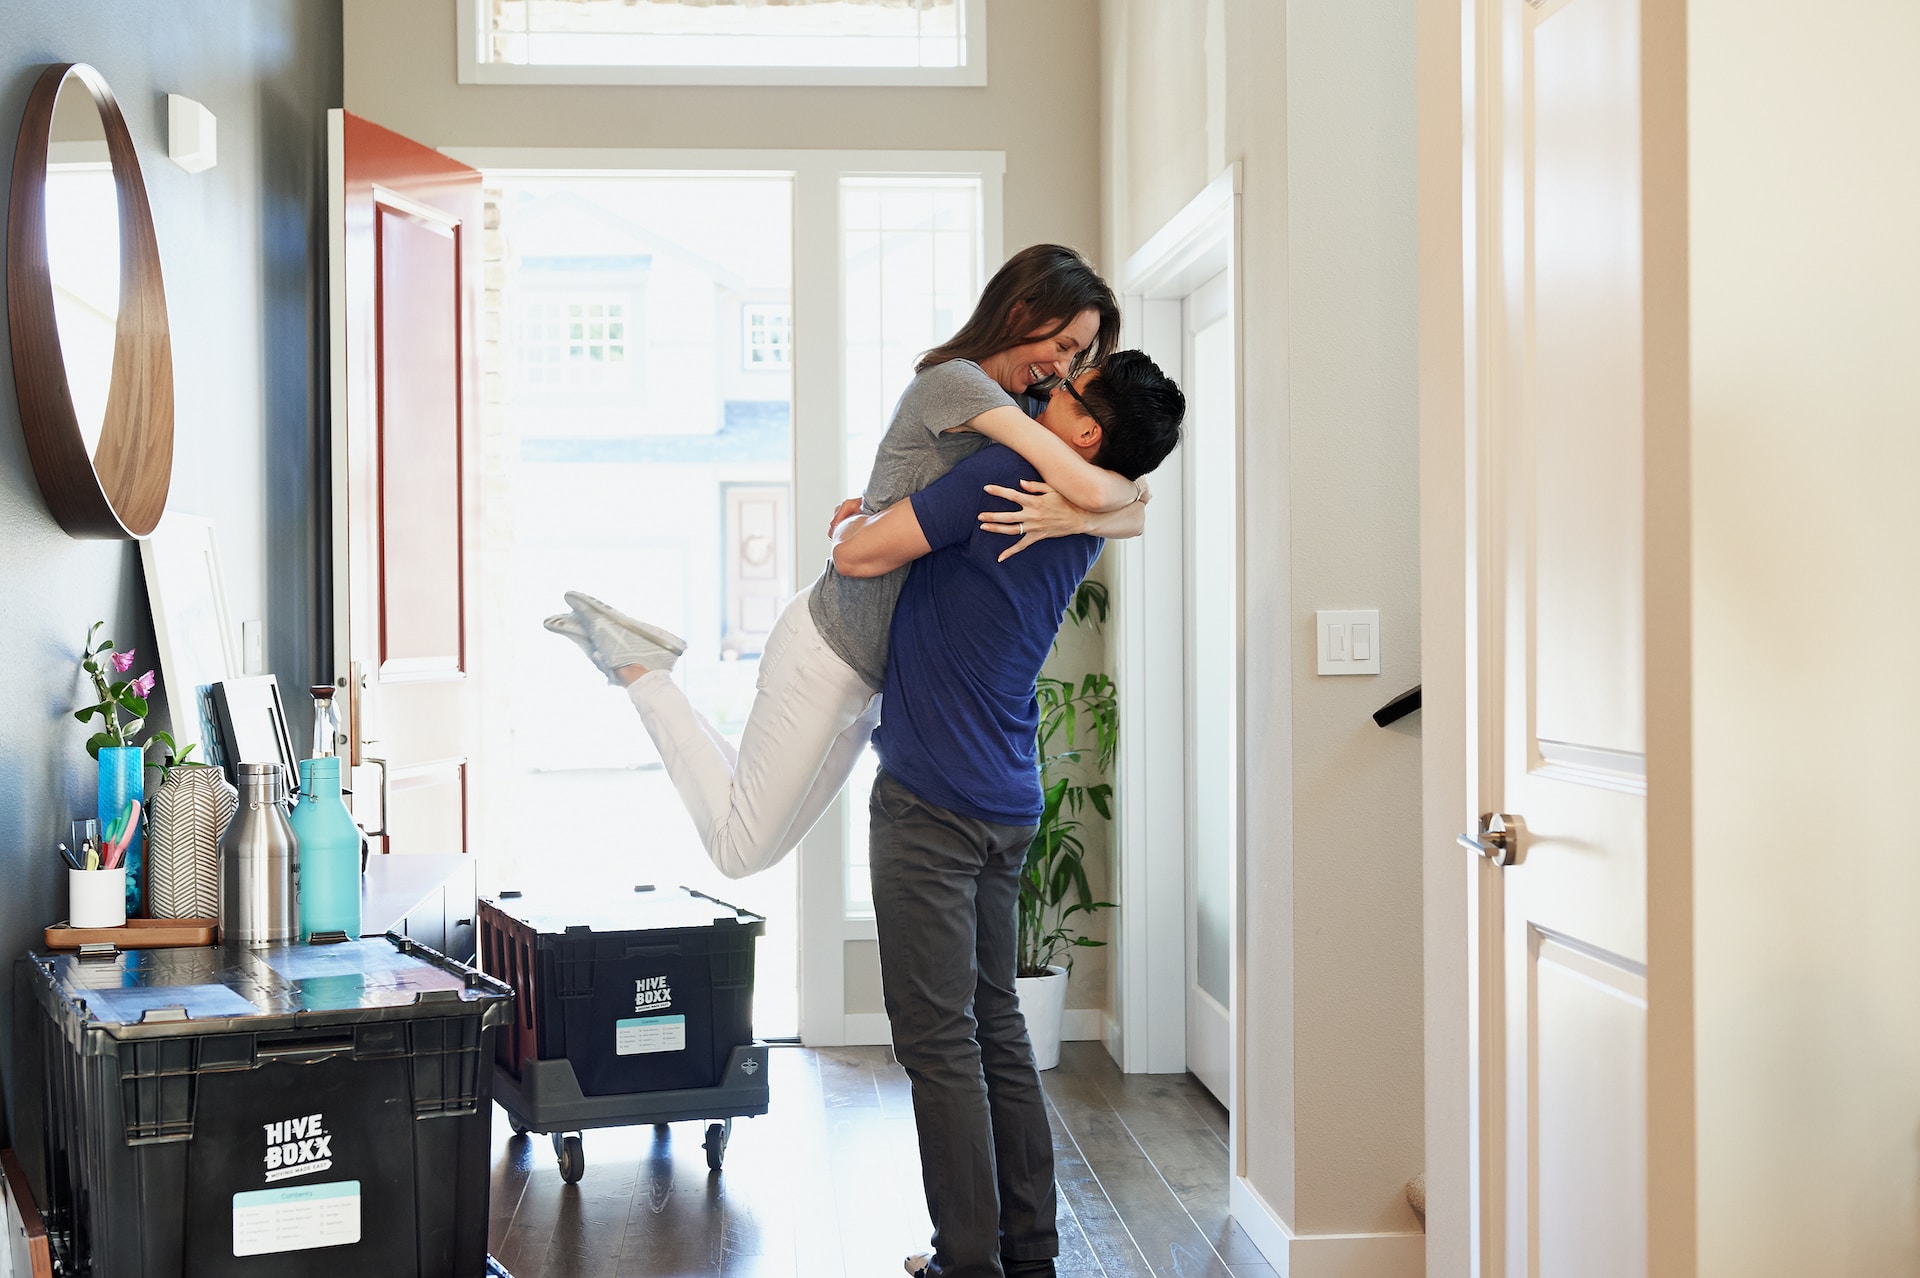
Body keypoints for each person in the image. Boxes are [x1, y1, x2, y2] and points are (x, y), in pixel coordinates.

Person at [546, 245, 1154, 879]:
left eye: (1074, 356)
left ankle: (641, 659)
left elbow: (1136, 505)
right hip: (829, 648)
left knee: (758, 840)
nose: (1060, 368)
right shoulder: (958, 384)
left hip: (870, 681)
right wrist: (1090, 504)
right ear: (1022, 309)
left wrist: (1084, 515)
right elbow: (1100, 484)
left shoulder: (1029, 407)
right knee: (737, 851)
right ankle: (642, 668)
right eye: (1062, 345)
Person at [831, 350, 1185, 1278]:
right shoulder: (1097, 511)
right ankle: (1027, 1255)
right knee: (994, 1028)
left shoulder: (1009, 473)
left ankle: (967, 1265)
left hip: (931, 798)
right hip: (1004, 795)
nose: (1042, 391)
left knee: (939, 1041)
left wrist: (857, 526)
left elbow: (861, 554)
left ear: (1085, 433)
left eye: (1064, 389)